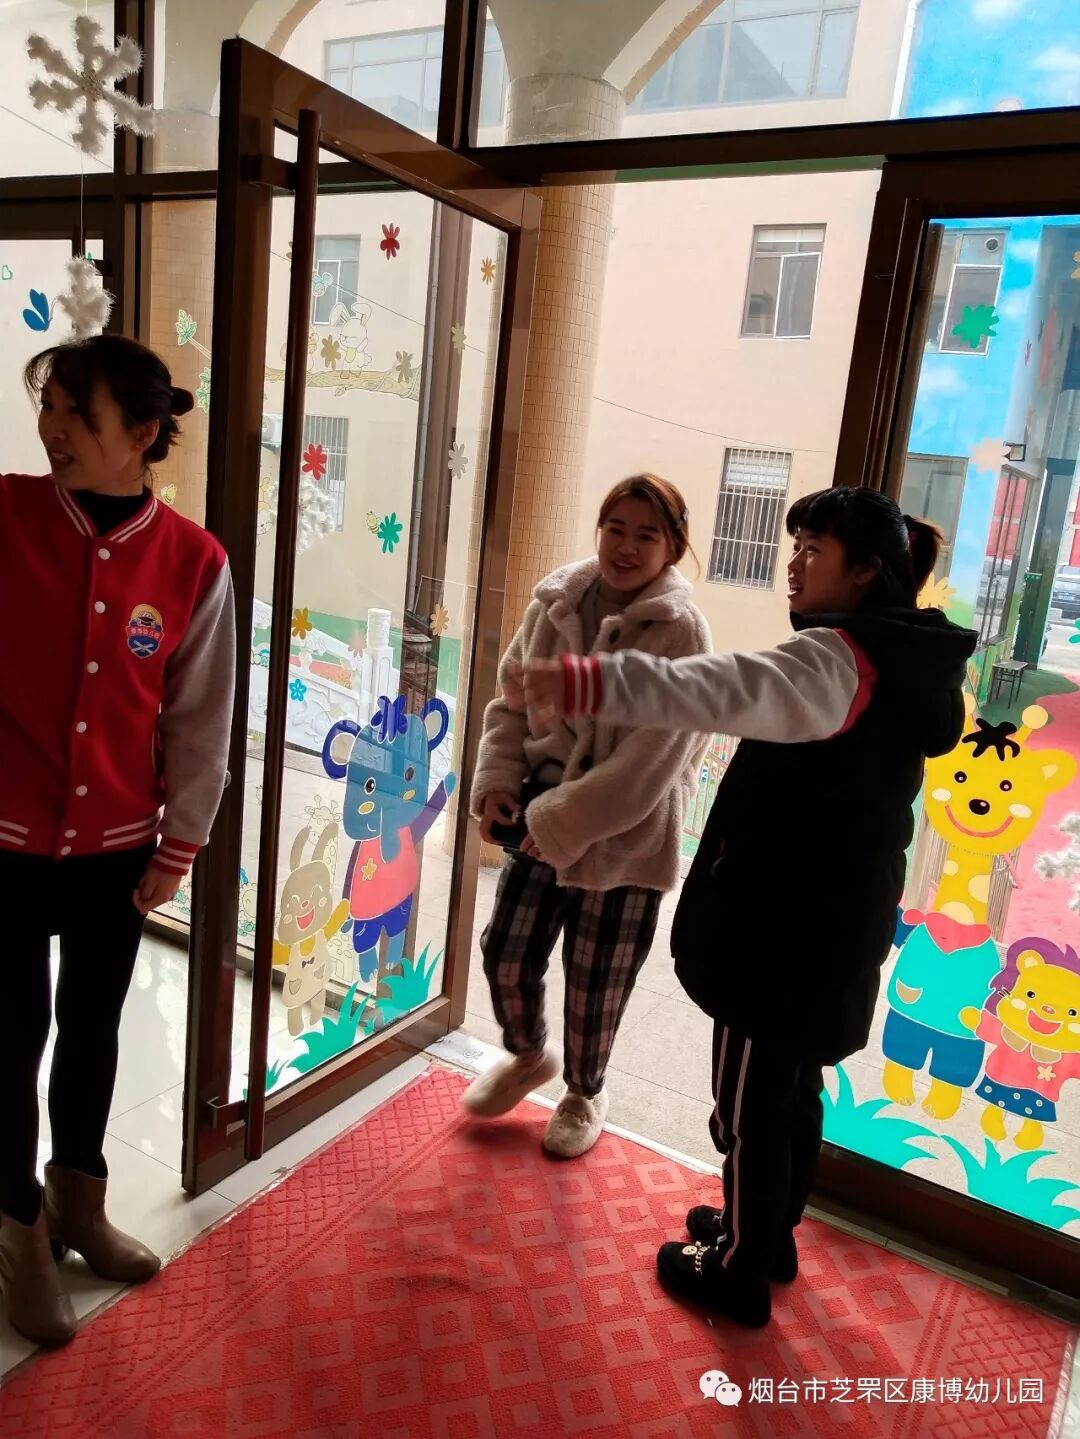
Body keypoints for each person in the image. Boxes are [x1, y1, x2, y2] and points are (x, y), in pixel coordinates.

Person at [518, 486, 977, 1326]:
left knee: (749, 1108)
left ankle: (737, 1272)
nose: (794, 563)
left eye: (815, 549)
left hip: (781, 932)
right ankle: (767, 1235)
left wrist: (594, 681)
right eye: (795, 544)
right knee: (792, 1091)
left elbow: (722, 687)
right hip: (833, 924)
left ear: (866, 571)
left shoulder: (839, 658)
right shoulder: (901, 658)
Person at [0, 335, 235, 1347]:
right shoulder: (5, 515)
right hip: (4, 849)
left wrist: (180, 845)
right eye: (48, 406)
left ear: (142, 433)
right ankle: (17, 1232)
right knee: (9, 1037)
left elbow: (200, 717)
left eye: (74, 412)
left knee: (92, 1029)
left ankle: (79, 1205)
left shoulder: (194, 560)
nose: (51, 428)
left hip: (117, 850)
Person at [465, 475, 711, 1158]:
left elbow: (651, 763)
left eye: (646, 535)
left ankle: (583, 1091)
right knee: (506, 952)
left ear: (673, 547)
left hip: (626, 837)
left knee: (596, 982)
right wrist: (496, 783)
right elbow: (510, 703)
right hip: (537, 817)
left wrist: (560, 823)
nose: (626, 547)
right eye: (615, 529)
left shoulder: (683, 631)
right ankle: (528, 1056)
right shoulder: (557, 600)